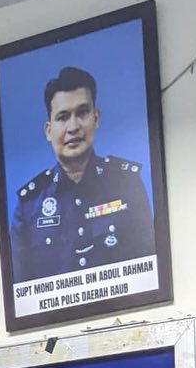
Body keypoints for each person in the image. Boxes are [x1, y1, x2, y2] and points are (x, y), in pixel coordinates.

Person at [10, 65, 157, 284]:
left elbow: (149, 271)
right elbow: (20, 290)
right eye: (62, 117)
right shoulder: (30, 204)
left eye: (82, 113)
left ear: (96, 118)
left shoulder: (127, 183)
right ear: (49, 131)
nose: (73, 127)